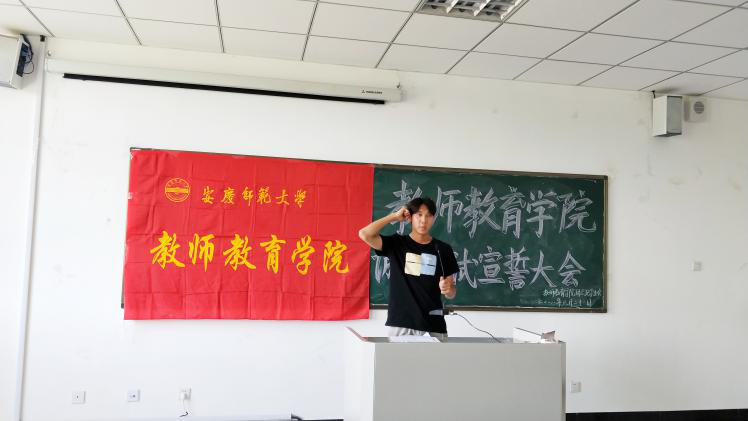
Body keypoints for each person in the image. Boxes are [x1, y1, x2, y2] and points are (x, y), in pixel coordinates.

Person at [358, 197, 458, 341]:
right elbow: (364, 234)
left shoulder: (443, 249)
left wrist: (448, 289)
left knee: (438, 357)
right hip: (402, 324)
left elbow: (451, 292)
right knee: (398, 357)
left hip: (434, 325)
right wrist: (394, 216)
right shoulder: (397, 244)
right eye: (419, 215)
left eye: (428, 216)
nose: (423, 220)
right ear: (410, 217)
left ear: (433, 218)